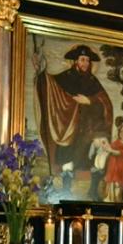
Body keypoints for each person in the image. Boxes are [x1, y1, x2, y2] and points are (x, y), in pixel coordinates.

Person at [34, 44, 114, 193]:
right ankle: (66, 190)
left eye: (87, 60)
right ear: (76, 61)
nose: (85, 63)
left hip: (87, 128)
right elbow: (50, 85)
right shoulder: (66, 77)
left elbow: (105, 104)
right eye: (82, 60)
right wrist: (40, 70)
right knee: (67, 159)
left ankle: (92, 191)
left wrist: (89, 101)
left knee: (92, 159)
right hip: (68, 127)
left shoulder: (92, 81)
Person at [104, 122, 123, 203]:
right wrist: (106, 145)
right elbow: (110, 148)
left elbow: (120, 153)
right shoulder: (117, 141)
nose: (122, 134)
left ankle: (117, 199)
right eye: (121, 131)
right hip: (112, 164)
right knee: (111, 182)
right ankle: (109, 198)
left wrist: (111, 150)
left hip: (120, 165)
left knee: (118, 183)